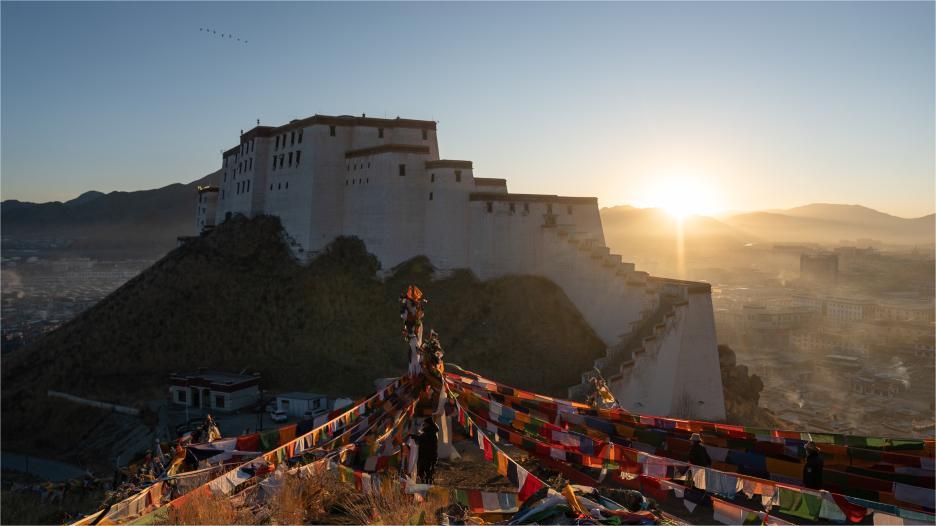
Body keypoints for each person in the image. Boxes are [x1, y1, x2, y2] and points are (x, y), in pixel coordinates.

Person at [414, 418, 439, 484]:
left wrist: (414, 437)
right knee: (428, 472)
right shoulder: (432, 432)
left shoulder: (430, 432)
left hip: (427, 455)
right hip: (430, 455)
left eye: (424, 424)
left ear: (428, 424)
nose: (423, 425)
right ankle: (428, 483)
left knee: (425, 471)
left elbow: (422, 439)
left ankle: (426, 484)